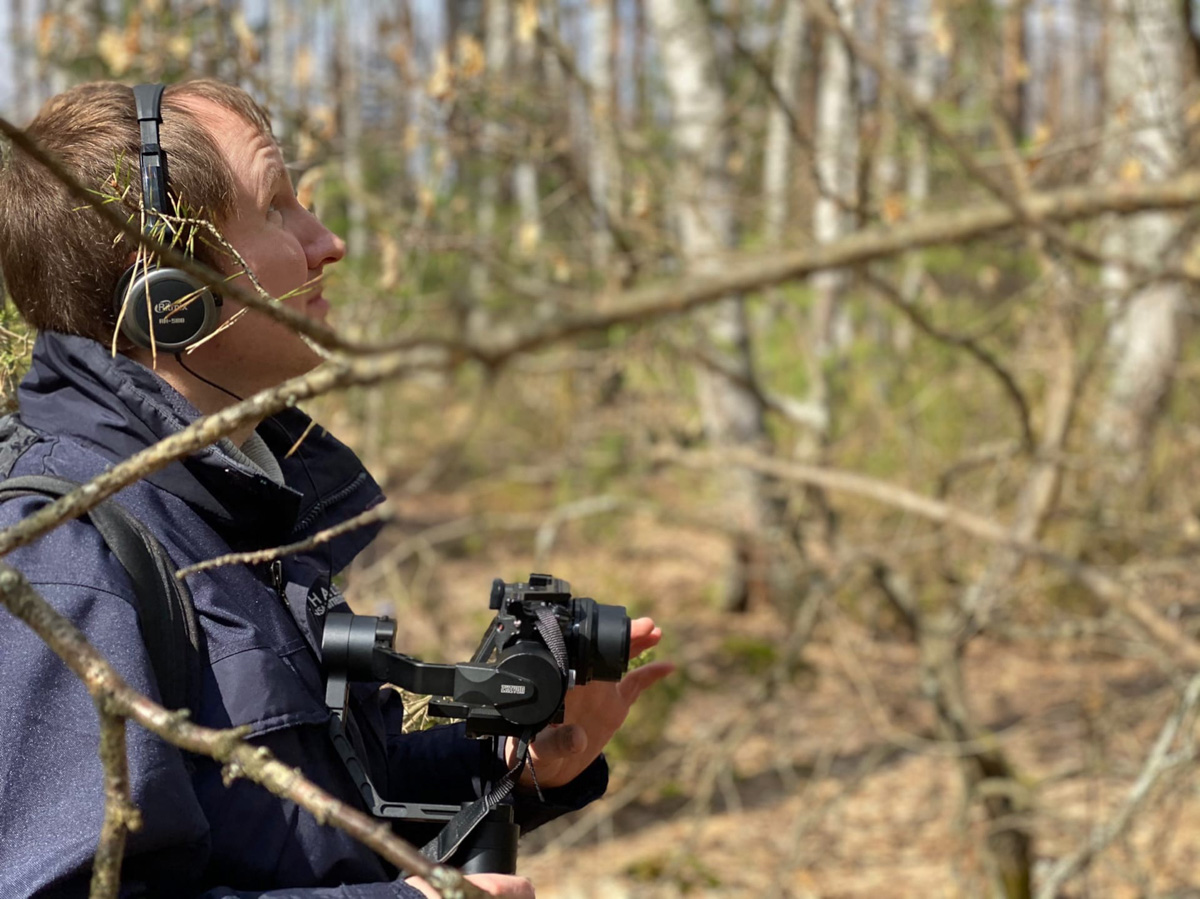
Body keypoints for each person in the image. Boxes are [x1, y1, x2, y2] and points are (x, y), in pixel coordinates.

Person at [0, 79, 672, 898]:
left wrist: (517, 762)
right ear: (170, 295)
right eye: (276, 208)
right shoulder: (67, 554)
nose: (329, 241)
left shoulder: (235, 505)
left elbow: (324, 811)